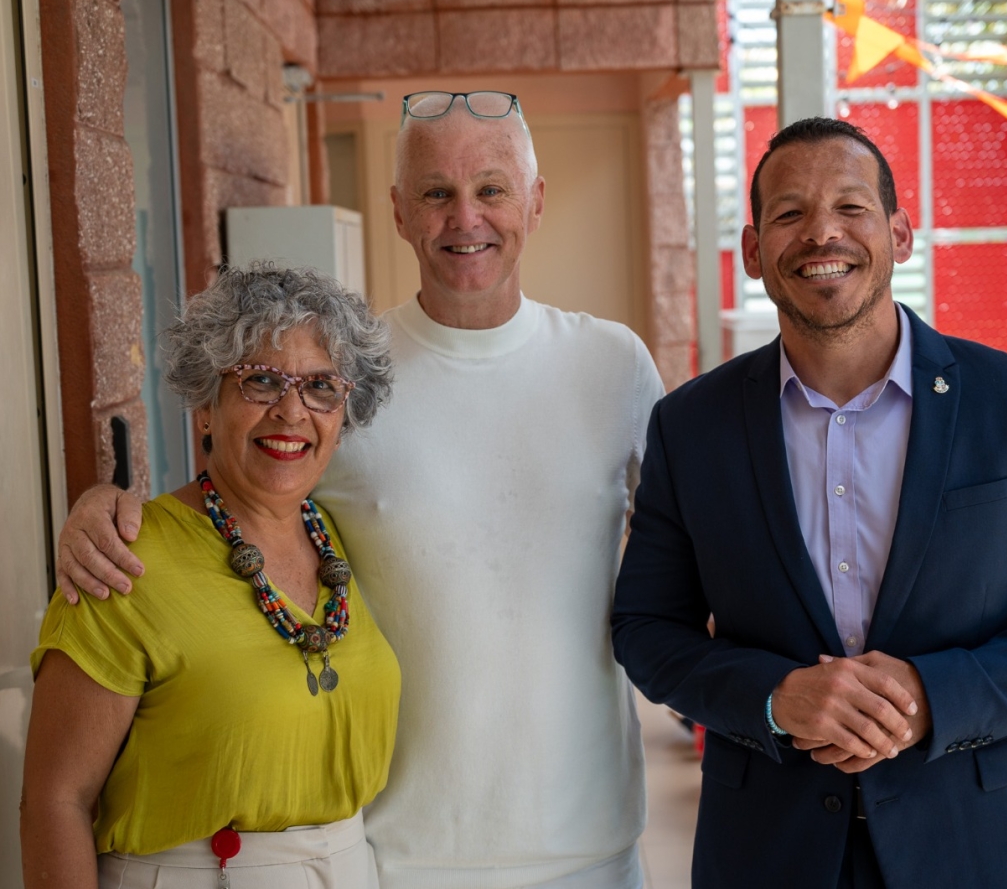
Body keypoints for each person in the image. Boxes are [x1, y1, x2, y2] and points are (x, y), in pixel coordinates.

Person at [53, 91, 663, 889]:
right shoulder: (344, 383)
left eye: (491, 189)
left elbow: (704, 549)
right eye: (436, 193)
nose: (464, 218)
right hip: (394, 859)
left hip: (596, 851)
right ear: (400, 211)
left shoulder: (616, 368)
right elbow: (231, 503)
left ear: (536, 201)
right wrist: (101, 510)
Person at [610, 117, 1007, 889]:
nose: (821, 232)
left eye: (851, 208)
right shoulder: (692, 425)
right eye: (789, 213)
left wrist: (934, 698)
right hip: (767, 854)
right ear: (755, 251)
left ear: (900, 232)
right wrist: (776, 698)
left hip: (974, 848)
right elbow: (647, 628)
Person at [21, 265, 400, 888]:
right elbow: (55, 801)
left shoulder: (341, 534)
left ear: (344, 412)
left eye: (321, 388)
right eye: (259, 382)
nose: (291, 412)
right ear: (205, 405)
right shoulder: (125, 561)